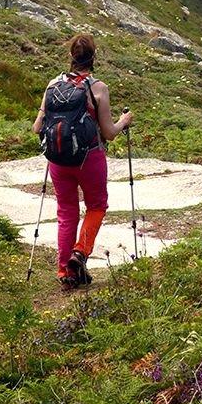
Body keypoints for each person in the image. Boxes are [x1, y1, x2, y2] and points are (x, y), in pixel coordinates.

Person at [32, 34, 132, 289]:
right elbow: (109, 132)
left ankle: (66, 272)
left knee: (66, 213)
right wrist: (125, 122)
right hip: (90, 157)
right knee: (97, 206)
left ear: (71, 56)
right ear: (93, 57)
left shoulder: (53, 84)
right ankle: (80, 252)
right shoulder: (97, 88)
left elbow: (37, 127)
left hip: (58, 160)